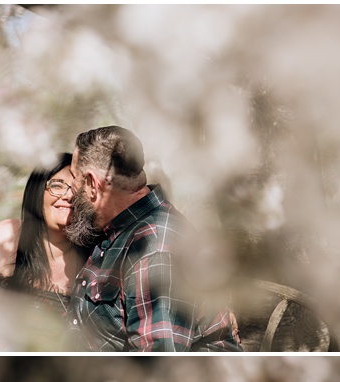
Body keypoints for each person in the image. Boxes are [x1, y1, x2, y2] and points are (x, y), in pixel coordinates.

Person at [65, 125, 242, 351]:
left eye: (74, 178)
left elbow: (158, 363)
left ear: (92, 184)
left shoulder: (154, 249)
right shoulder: (120, 228)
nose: (71, 191)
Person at [0, 152, 88, 323]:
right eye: (57, 185)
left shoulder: (92, 259)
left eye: (78, 188)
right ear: (38, 190)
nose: (69, 196)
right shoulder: (8, 235)